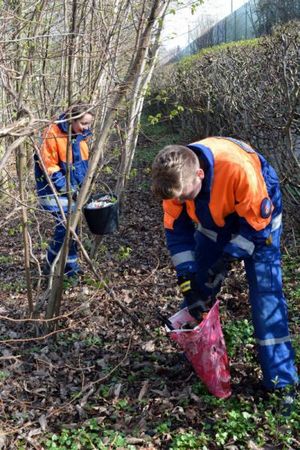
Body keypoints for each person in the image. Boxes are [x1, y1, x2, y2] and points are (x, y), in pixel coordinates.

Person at [152, 136, 298, 401]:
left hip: (259, 225)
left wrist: (227, 261)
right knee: (196, 291)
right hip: (213, 224)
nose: (183, 200)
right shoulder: (174, 179)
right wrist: (186, 276)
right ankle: (204, 359)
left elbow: (255, 225)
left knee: (266, 299)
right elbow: (176, 231)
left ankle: (281, 382)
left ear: (199, 173)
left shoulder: (237, 168)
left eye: (186, 195)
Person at [35, 102, 94, 277]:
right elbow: (49, 169)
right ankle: (51, 265)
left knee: (71, 228)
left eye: (89, 124)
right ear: (71, 119)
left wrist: (83, 188)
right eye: (83, 123)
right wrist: (69, 190)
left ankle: (69, 267)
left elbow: (82, 167)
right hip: (53, 191)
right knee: (66, 227)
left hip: (73, 191)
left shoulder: (80, 136)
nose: (86, 128)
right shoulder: (52, 134)